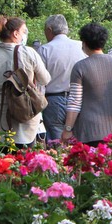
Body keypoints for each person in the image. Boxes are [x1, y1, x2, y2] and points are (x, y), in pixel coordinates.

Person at [0, 15, 51, 149]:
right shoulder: (30, 53)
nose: (25, 35)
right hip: (26, 114)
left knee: (1, 161)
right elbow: (45, 79)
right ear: (15, 33)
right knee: (25, 159)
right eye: (24, 31)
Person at [60, 23, 112, 146]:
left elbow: (75, 102)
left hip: (91, 132)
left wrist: (67, 129)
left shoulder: (80, 67)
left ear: (84, 42)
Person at [38, 14, 85, 142]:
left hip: (53, 101)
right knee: (79, 142)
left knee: (57, 143)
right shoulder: (81, 46)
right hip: (80, 98)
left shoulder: (44, 49)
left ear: (49, 29)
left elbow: (40, 82)